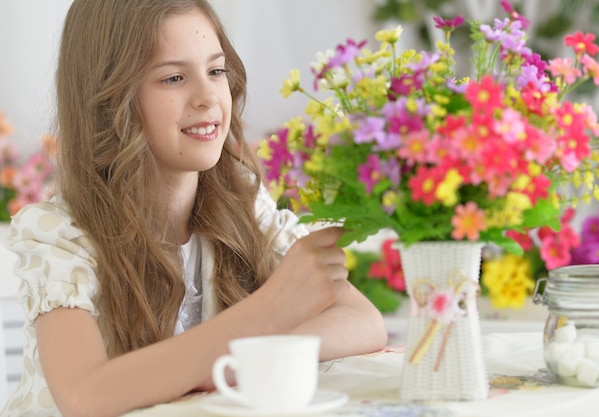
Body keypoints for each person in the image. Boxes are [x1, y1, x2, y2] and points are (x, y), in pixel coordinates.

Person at [0, 1, 388, 416]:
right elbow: (84, 397)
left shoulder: (242, 204)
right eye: (173, 78)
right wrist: (270, 310)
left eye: (216, 71)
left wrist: (231, 361)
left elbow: (364, 321)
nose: (207, 97)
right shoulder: (62, 235)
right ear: (110, 100)